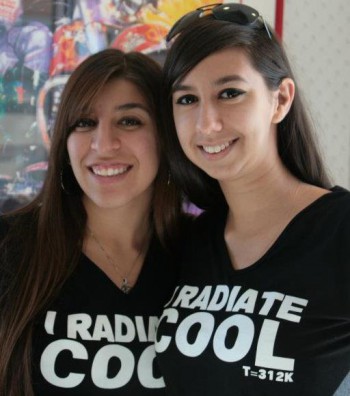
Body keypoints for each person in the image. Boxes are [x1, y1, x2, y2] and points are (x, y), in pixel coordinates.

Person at [155, 3, 350, 396]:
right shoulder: (191, 241)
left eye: (230, 93)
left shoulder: (340, 228)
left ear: (280, 101)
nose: (207, 124)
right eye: (187, 100)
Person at [0, 48, 184, 395]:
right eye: (84, 122)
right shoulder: (9, 245)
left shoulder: (201, 255)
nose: (103, 144)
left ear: (165, 136)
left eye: (129, 121)